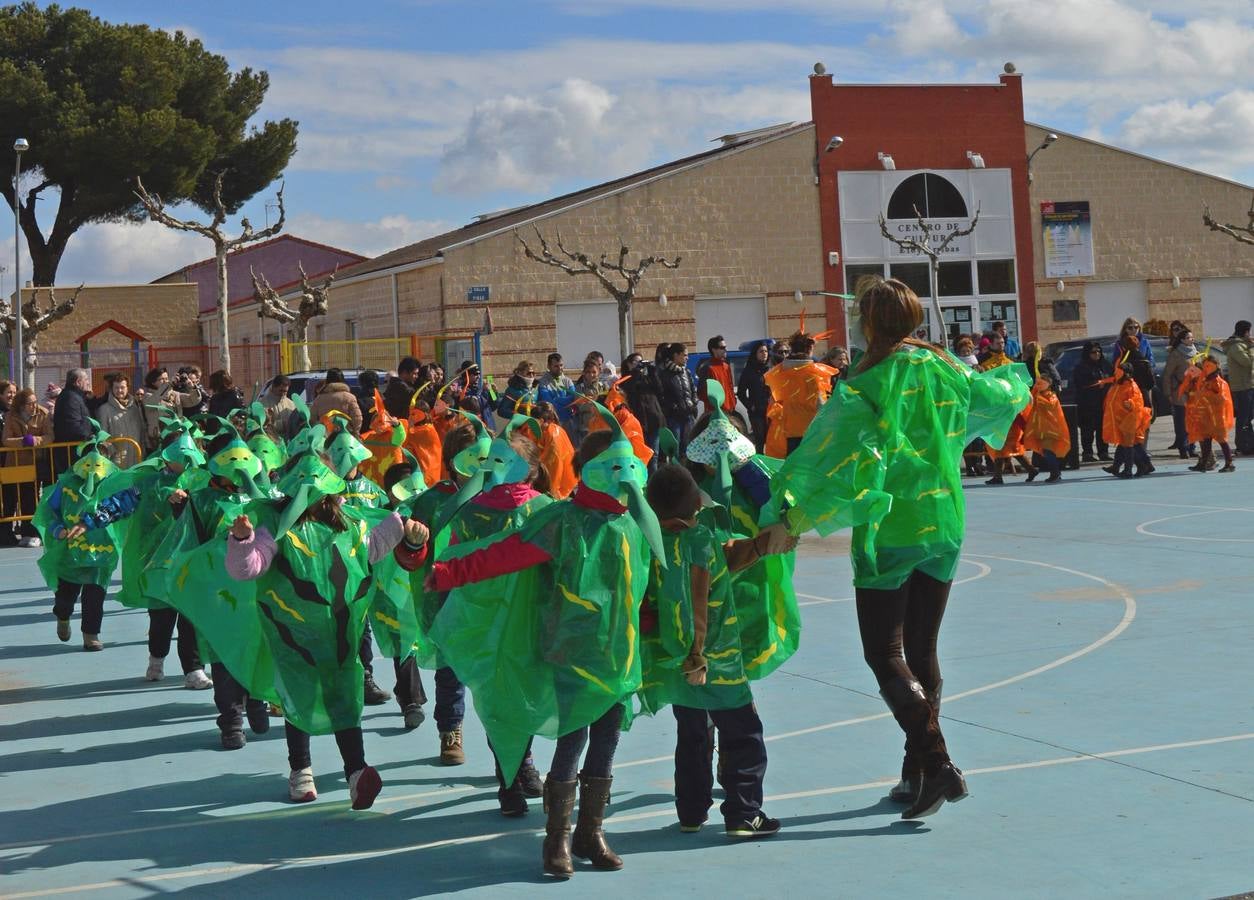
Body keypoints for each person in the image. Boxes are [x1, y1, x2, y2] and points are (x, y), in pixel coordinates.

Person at [771, 277, 1031, 819]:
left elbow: (819, 458)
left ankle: (936, 765)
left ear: (868, 324)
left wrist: (786, 514)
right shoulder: (944, 367)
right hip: (945, 519)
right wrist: (1018, 372)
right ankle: (916, 775)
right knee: (923, 649)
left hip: (892, 528)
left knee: (885, 653)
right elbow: (1000, 394)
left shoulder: (865, 385)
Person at [428, 418, 663, 877]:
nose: (626, 475)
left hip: (621, 657)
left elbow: (648, 583)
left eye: (630, 465)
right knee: (572, 742)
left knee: (607, 744)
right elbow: (503, 552)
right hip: (573, 656)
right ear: (588, 469)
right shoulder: (561, 521)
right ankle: (556, 838)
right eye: (614, 466)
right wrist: (441, 571)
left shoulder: (633, 522)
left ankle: (590, 832)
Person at [638, 463, 794, 838]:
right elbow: (696, 599)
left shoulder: (653, 541)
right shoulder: (700, 540)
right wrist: (697, 653)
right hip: (714, 661)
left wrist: (758, 545)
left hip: (677, 662)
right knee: (743, 735)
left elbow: (723, 562)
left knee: (692, 735)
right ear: (694, 504)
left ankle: (691, 811)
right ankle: (743, 812)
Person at [762, 331, 837, 456]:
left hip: (788, 428)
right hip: (811, 429)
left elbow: (773, 400)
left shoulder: (779, 372)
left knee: (792, 466)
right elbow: (820, 404)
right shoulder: (813, 373)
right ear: (809, 349)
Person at [2, 387, 52, 546]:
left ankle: (30, 533)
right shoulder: (11, 415)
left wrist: (36, 441)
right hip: (14, 463)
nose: (34, 406)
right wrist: (22, 441)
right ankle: (6, 533)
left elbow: (50, 437)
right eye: (30, 403)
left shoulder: (43, 414)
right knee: (10, 498)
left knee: (30, 498)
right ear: (22, 405)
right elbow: (6, 440)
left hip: (34, 463)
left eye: (36, 402)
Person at [1182, 356, 1236, 473]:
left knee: (1222, 440)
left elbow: (1220, 398)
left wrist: (1204, 394)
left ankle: (1229, 463)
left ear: (1215, 366)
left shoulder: (1217, 381)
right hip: (1207, 415)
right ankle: (1204, 463)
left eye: (1208, 366)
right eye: (1204, 366)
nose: (1205, 368)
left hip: (1217, 416)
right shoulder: (1207, 380)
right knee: (1206, 439)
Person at [1100, 358, 1153, 478]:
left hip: (1129, 420)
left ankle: (1128, 469)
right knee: (1129, 444)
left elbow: (1137, 401)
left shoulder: (1131, 386)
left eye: (1119, 372)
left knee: (1129, 444)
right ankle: (1142, 466)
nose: (1116, 374)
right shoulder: (1118, 384)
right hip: (1120, 419)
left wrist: (1131, 403)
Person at [1022, 374, 1069, 482]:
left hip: (1050, 430)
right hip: (1041, 430)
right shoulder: (1038, 394)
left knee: (1048, 452)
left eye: (1040, 383)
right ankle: (1056, 472)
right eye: (1037, 383)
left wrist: (1037, 396)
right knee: (1046, 452)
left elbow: (1048, 405)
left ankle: (1055, 473)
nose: (1037, 385)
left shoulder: (1051, 396)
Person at [95, 374, 148, 469]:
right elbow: (102, 436)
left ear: (128, 388)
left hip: (137, 459)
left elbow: (142, 432)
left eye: (122, 387)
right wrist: (112, 454)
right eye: (116, 387)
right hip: (116, 462)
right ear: (112, 389)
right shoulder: (104, 410)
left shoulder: (135, 408)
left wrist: (143, 452)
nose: (119, 390)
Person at [1073, 341, 1113, 462]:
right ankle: (1088, 453)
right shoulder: (1081, 367)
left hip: (1103, 403)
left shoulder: (1105, 365)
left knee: (1103, 429)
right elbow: (1080, 384)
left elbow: (1112, 378)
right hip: (1087, 404)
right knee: (1088, 430)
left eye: (1098, 352)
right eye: (1093, 352)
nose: (1097, 354)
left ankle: (1103, 452)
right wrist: (1096, 385)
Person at [1162, 329, 1198, 459]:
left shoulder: (1196, 352)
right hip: (1180, 391)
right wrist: (1168, 393)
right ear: (1182, 340)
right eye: (1189, 338)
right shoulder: (1176, 354)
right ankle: (1183, 448)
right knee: (1182, 422)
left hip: (1194, 392)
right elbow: (1167, 374)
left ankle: (1192, 447)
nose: (1191, 340)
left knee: (1193, 421)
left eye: (1192, 337)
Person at [51, 368, 94, 477]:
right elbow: (74, 427)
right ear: (78, 382)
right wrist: (91, 437)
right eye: (86, 379)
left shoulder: (75, 396)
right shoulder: (70, 398)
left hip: (75, 453)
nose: (88, 382)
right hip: (72, 455)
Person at [660, 343, 700, 449]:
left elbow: (693, 391)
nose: (687, 358)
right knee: (675, 447)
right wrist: (674, 408)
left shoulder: (686, 372)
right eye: (685, 355)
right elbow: (662, 396)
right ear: (676, 355)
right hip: (674, 418)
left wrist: (694, 403)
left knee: (690, 447)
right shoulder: (665, 374)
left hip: (689, 416)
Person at [737, 340, 772, 453]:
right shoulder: (749, 371)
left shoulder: (770, 369)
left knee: (771, 439)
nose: (764, 354)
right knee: (760, 439)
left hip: (771, 410)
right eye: (761, 351)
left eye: (766, 351)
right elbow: (741, 393)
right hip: (757, 412)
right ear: (755, 354)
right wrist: (750, 406)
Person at [1222, 320, 1254, 445]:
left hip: (1248, 384)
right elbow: (1247, 362)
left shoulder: (1242, 345)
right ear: (1245, 332)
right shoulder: (1236, 346)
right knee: (1244, 416)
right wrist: (1251, 348)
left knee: (1247, 416)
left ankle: (1248, 441)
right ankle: (1242, 443)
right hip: (1242, 387)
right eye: (1249, 331)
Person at [308, 368, 363, 434]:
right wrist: (355, 432)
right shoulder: (349, 397)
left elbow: (312, 420)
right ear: (342, 380)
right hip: (345, 436)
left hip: (326, 437)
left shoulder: (319, 398)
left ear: (327, 380)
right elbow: (357, 418)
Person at [695, 336, 736, 415]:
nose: (725, 350)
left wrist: (733, 403)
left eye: (725, 347)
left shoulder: (726, 367)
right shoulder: (707, 368)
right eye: (722, 347)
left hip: (728, 410)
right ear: (713, 350)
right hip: (714, 413)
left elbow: (730, 387)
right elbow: (701, 393)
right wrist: (714, 406)